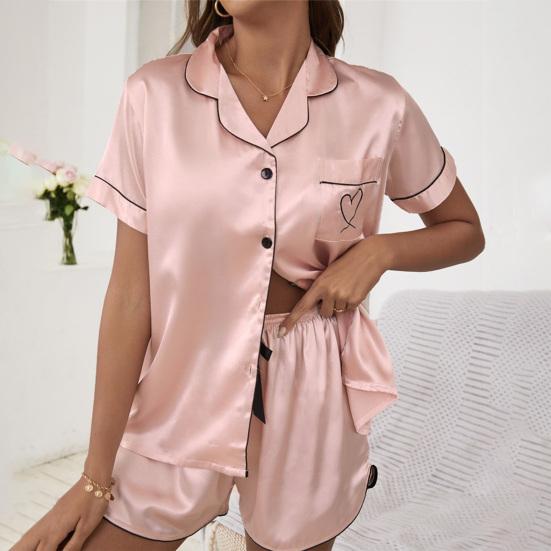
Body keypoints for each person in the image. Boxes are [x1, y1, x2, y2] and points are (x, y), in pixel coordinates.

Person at [12, 1, 485, 550]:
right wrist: (95, 477)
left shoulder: (378, 104)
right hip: (183, 383)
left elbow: (464, 230)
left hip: (313, 394)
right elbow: (129, 298)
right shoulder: (154, 96)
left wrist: (377, 253)